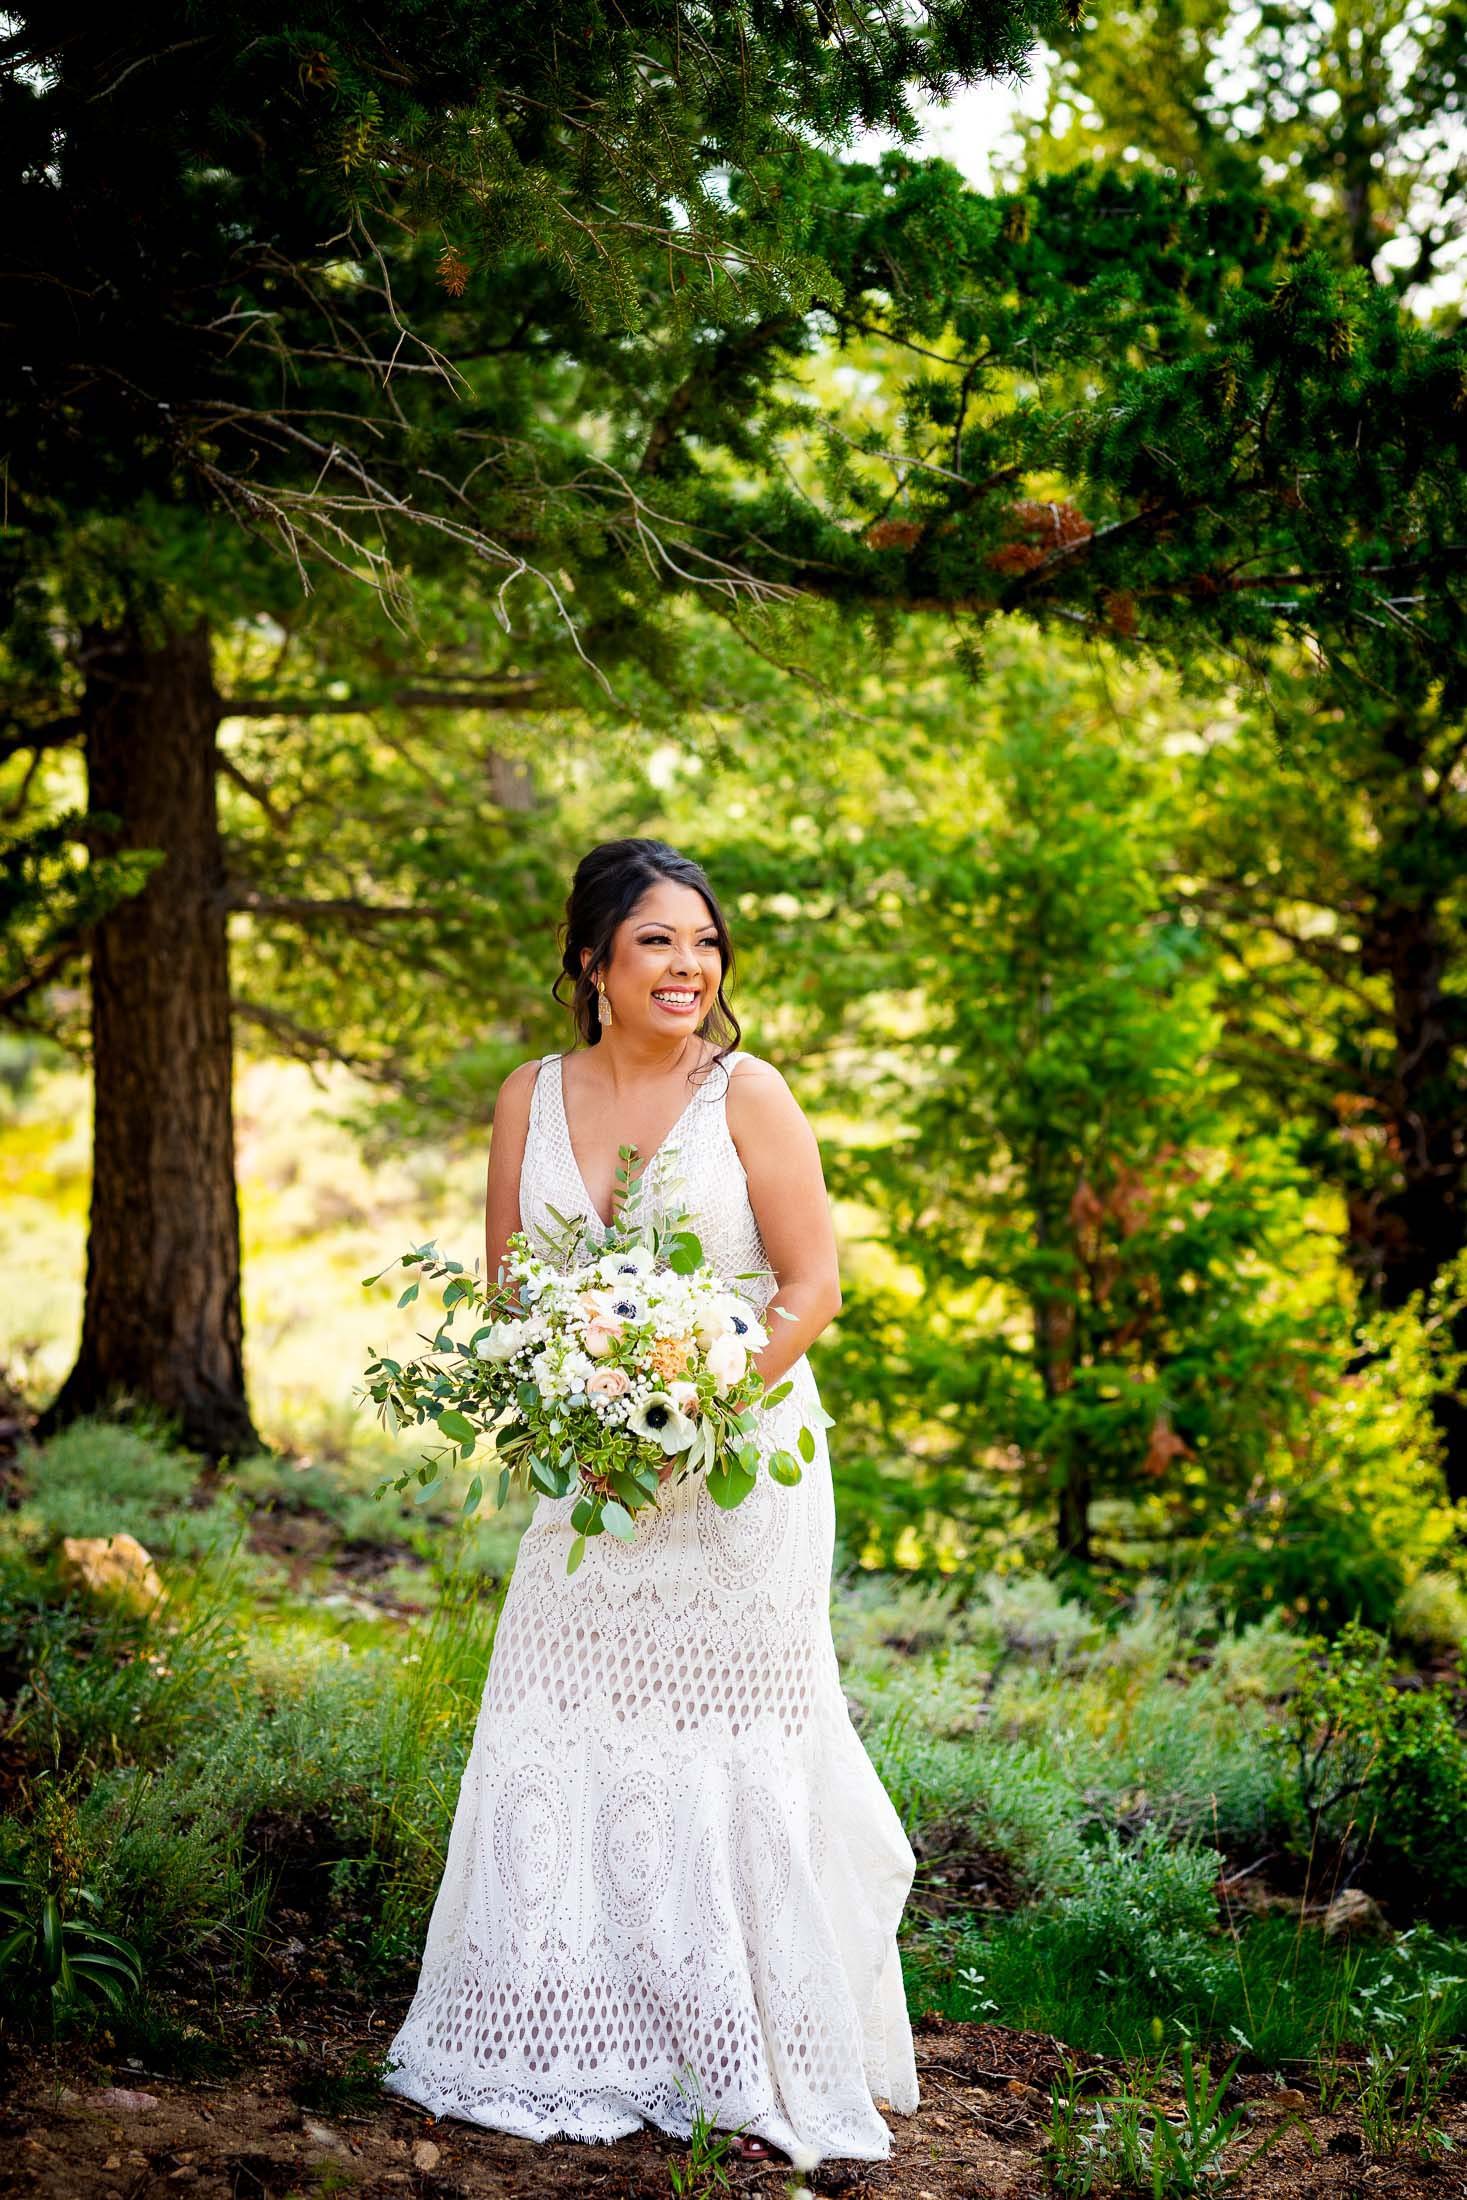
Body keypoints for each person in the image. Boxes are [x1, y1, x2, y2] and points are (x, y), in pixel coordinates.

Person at [382, 837, 920, 2168]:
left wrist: (704, 1392)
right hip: (593, 1478)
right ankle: (565, 2031)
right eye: (656, 944)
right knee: (556, 1725)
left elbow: (810, 1288)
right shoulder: (529, 1095)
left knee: (721, 1747)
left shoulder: (750, 1094)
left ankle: (737, 2046)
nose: (689, 968)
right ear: (591, 964)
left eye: (705, 943)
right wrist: (591, 1400)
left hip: (745, 1470)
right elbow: (512, 1295)